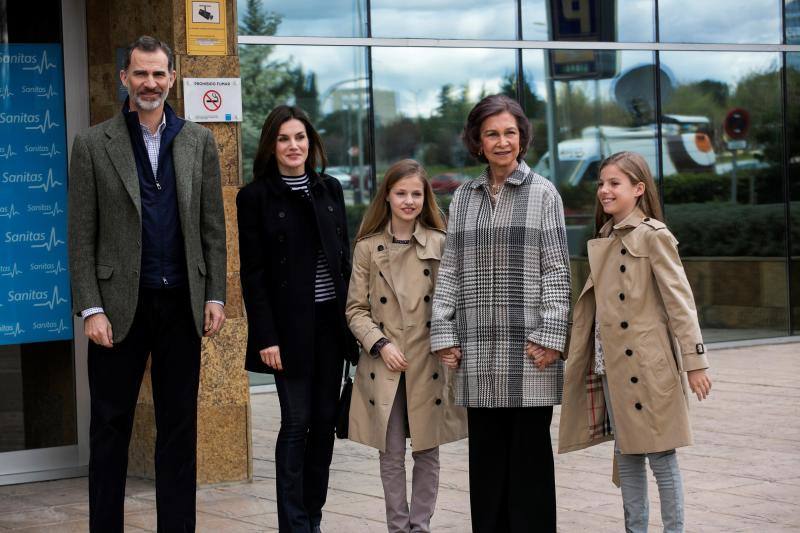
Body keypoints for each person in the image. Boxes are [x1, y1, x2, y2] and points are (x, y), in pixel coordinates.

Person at [67, 35, 227, 532]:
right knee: (110, 427)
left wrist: (215, 293)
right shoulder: (93, 143)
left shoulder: (198, 142)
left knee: (179, 429)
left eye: (158, 74)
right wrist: (91, 308)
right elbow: (80, 234)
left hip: (182, 304)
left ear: (172, 79)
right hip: (117, 309)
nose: (150, 83)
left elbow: (212, 228)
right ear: (124, 78)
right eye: (140, 74)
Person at [430, 94, 571, 532]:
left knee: (528, 468)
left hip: (530, 353)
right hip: (478, 353)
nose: (502, 141)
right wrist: (443, 331)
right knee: (487, 469)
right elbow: (449, 269)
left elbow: (557, 270)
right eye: (491, 133)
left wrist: (551, 336)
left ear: (522, 137)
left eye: (509, 132)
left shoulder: (544, 193)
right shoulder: (465, 199)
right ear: (477, 141)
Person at [558, 151, 712, 533]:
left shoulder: (654, 236)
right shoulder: (604, 237)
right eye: (601, 184)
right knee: (626, 453)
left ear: (638, 189)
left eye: (614, 183)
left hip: (648, 363)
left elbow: (681, 302)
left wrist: (695, 362)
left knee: (661, 456)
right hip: (610, 365)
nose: (604, 191)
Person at [237, 104, 358, 533]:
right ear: (272, 145)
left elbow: (343, 261)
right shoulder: (254, 197)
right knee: (296, 422)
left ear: (311, 143)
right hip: (287, 331)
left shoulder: (330, 188)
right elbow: (252, 274)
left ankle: (313, 518)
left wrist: (355, 323)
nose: (293, 146)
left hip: (331, 326)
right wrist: (265, 336)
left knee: (324, 424)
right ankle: (293, 524)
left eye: (300, 138)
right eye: (284, 138)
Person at [345, 159, 468, 533]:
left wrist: (450, 342)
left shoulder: (441, 242)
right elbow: (355, 309)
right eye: (401, 193)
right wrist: (380, 344)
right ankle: (398, 527)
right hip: (386, 363)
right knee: (391, 453)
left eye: (416, 193)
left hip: (428, 360)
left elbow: (454, 302)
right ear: (387, 196)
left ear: (426, 197)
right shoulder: (367, 248)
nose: (409, 200)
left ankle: (421, 526)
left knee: (427, 451)